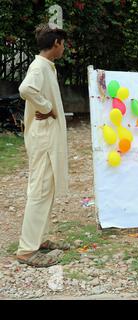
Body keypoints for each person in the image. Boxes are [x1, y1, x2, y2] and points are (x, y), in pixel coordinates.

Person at [16, 24, 70, 267]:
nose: (64, 48)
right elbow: (25, 89)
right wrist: (46, 107)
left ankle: (38, 239)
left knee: (46, 189)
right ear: (56, 43)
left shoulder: (46, 66)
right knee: (40, 189)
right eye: (63, 43)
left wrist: (44, 106)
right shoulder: (38, 66)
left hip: (46, 137)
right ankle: (27, 250)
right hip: (43, 139)